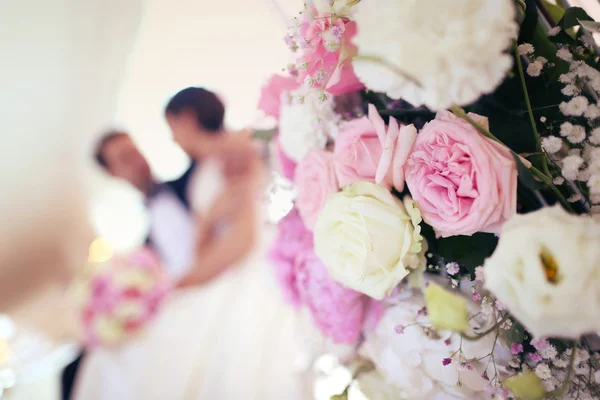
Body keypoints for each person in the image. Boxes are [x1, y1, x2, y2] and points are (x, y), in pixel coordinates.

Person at [73, 87, 311, 400]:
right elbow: (203, 248)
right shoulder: (190, 185)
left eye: (172, 129)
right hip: (215, 271)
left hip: (246, 269)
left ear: (186, 119)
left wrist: (181, 284)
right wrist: (208, 222)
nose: (172, 139)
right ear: (112, 173)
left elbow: (243, 236)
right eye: (123, 159)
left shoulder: (220, 162)